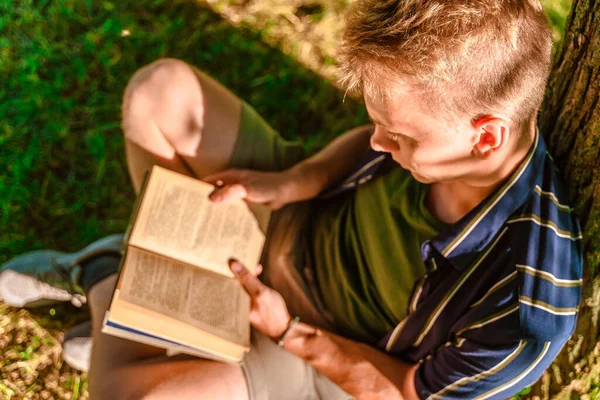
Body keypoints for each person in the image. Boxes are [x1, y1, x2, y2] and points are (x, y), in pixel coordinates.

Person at [0, 0, 583, 398]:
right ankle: (144, 313)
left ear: (486, 136)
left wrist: (288, 331)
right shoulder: (446, 136)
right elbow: (368, 147)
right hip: (300, 217)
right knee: (162, 96)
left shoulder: (528, 307)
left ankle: (105, 273)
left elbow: (404, 392)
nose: (380, 142)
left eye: (400, 137)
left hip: (324, 345)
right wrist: (296, 180)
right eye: (377, 122)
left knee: (129, 394)